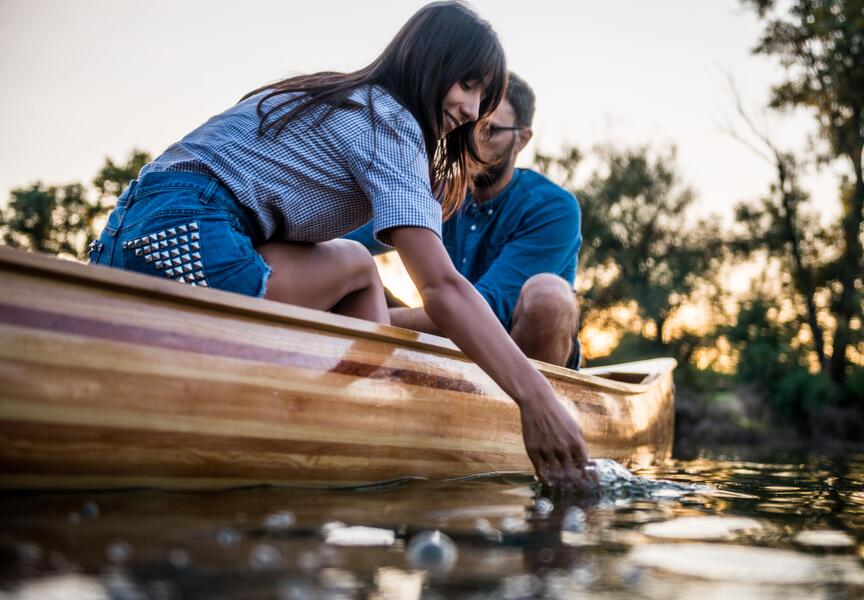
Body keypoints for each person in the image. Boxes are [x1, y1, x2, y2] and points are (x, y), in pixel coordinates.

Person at [87, 2, 593, 491]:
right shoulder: (389, 123)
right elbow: (441, 286)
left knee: (354, 265)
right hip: (195, 240)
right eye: (467, 85)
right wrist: (535, 397)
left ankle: (342, 415)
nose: (470, 110)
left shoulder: (334, 97)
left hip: (122, 242)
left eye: (483, 99)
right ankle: (367, 427)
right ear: (428, 61)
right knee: (356, 266)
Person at [346, 72, 582, 368]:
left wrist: (366, 320)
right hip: (450, 343)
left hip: (515, 348)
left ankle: (539, 406)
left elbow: (490, 310)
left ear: (521, 140)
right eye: (470, 127)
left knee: (550, 296)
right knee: (344, 261)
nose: (472, 141)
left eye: (490, 130)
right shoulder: (437, 191)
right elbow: (344, 237)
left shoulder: (552, 207)